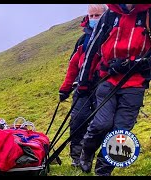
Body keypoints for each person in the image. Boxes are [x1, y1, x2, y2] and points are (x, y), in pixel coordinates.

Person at [77, 4, 151, 176]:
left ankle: (103, 171)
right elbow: (92, 49)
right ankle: (86, 150)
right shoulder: (109, 16)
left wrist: (136, 63)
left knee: (120, 133)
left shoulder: (147, 15)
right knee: (102, 123)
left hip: (135, 83)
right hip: (107, 78)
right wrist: (83, 82)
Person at [58, 4, 108, 168]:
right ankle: (76, 159)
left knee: (98, 124)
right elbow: (73, 67)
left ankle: (89, 157)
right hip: (81, 87)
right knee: (77, 121)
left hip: (104, 87)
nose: (94, 18)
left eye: (97, 15)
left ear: (105, 15)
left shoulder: (111, 35)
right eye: (91, 15)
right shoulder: (83, 40)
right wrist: (65, 89)